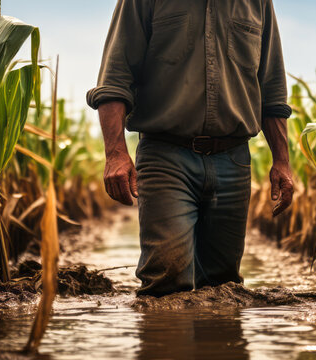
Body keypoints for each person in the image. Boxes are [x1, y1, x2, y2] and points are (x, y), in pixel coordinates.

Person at [87, 0, 293, 297]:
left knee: (224, 288)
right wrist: (116, 153)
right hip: (166, 156)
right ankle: (165, 337)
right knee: (166, 278)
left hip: (232, 160)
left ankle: (216, 343)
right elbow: (115, 79)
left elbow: (272, 87)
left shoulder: (257, 3)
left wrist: (282, 162)